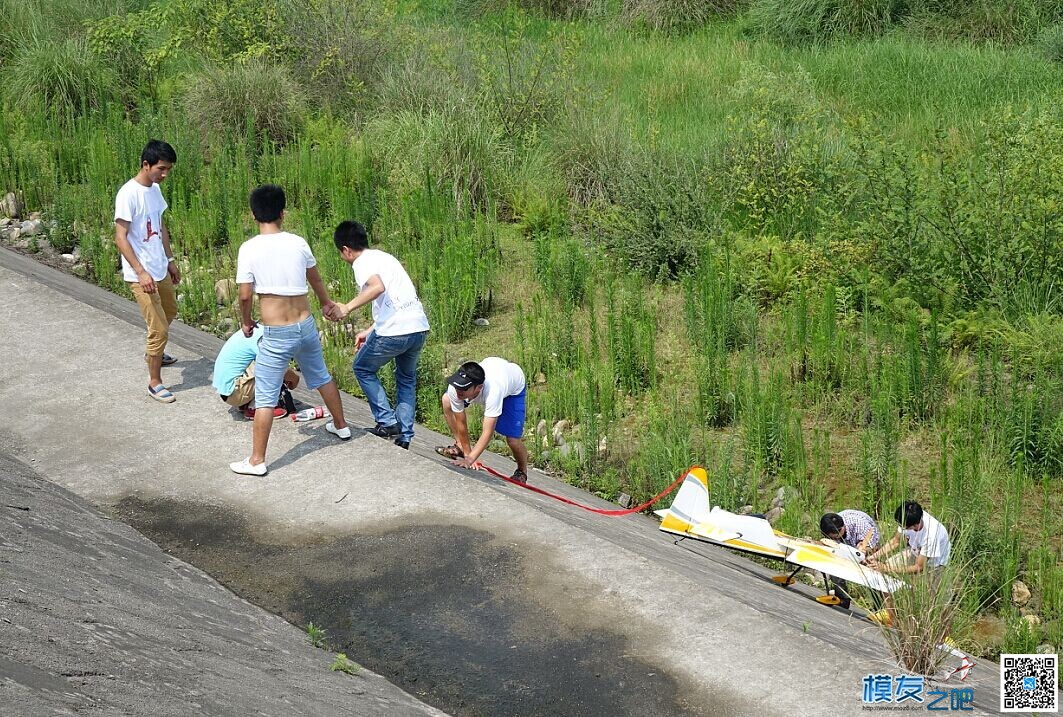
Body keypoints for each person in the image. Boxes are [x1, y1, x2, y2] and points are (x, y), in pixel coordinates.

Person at [230, 184, 350, 476]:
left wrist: (246, 322)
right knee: (320, 376)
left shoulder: (250, 248)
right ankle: (341, 425)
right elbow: (316, 280)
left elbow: (245, 295)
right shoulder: (298, 242)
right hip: (305, 325)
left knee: (267, 394)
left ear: (252, 215)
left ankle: (257, 460)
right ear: (283, 213)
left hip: (276, 332)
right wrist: (326, 304)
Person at [324, 220, 430, 450]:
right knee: (406, 379)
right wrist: (370, 330)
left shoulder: (361, 262)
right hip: (418, 327)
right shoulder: (384, 257)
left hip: (395, 331)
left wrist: (346, 307)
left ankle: (387, 421)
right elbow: (393, 301)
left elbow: (377, 287)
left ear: (346, 249)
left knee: (362, 367)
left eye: (341, 254)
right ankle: (404, 436)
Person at [114, 139, 180, 403]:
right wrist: (140, 272)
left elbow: (160, 227)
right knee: (159, 328)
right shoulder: (128, 194)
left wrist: (170, 259)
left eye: (168, 170)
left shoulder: (154, 190)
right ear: (146, 164)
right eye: (161, 169)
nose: (164, 175)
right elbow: (121, 237)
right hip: (140, 274)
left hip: (159, 267)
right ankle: (155, 382)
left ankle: (156, 351)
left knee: (170, 311)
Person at [438, 358, 529, 484]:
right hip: (493, 369)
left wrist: (470, 460)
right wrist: (468, 455)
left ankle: (521, 471)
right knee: (446, 400)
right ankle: (459, 445)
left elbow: (487, 432)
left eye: (463, 388)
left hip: (514, 387)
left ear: (478, 388)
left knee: (513, 440)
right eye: (457, 386)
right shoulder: (456, 388)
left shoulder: (493, 391)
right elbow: (461, 423)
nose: (458, 390)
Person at [865, 500, 952, 626]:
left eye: (907, 528)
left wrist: (885, 567)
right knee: (884, 575)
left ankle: (941, 636)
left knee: (938, 603)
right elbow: (895, 541)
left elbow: (919, 567)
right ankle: (890, 616)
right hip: (914, 552)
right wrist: (874, 557)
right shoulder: (907, 516)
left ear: (916, 525)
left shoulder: (932, 534)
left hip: (934, 565)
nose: (905, 529)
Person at [212, 327, 300, 419]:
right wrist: (294, 379)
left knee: (262, 360)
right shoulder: (264, 339)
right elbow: (275, 366)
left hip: (227, 390)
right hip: (235, 392)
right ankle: (255, 407)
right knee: (270, 365)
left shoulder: (256, 330)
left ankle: (247, 402)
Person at [818, 509, 881, 610]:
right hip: (846, 544)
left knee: (871, 570)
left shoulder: (861, 525)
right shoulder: (830, 523)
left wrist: (862, 551)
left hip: (867, 543)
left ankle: (879, 608)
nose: (833, 540)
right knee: (835, 561)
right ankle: (842, 599)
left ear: (842, 529)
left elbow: (870, 546)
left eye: (834, 538)